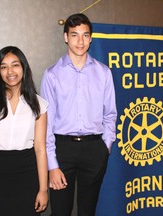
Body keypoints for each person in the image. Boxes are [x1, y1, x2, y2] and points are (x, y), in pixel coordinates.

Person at [40, 13, 117, 216]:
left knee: (88, 211)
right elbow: (46, 124)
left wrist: (105, 147)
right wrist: (52, 164)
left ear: (91, 38)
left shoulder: (104, 73)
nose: (80, 41)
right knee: (60, 211)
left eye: (85, 35)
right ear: (66, 37)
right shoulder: (52, 75)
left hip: (95, 149)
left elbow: (110, 114)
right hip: (62, 149)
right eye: (74, 35)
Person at [0, 46, 49, 216]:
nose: (10, 71)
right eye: (3, 66)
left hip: (28, 173)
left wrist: (43, 189)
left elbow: (40, 149)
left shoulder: (39, 105)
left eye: (15, 65)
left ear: (23, 68)